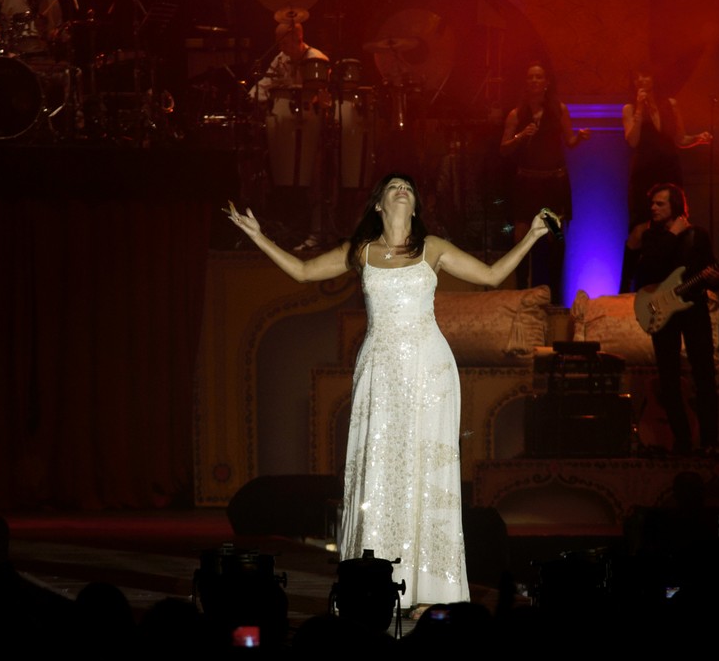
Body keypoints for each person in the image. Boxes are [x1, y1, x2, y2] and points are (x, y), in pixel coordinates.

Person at [227, 172, 550, 614]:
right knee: (380, 473)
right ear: (379, 204)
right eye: (393, 186)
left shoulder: (432, 248)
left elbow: (492, 276)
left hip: (429, 370)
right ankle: (375, 586)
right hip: (379, 370)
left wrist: (532, 235)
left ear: (414, 207)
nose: (402, 190)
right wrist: (257, 236)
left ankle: (431, 591)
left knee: (425, 474)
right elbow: (303, 271)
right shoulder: (361, 251)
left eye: (408, 188)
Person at [631, 183, 719, 454]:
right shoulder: (652, 237)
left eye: (660, 203)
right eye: (653, 203)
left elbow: (713, 275)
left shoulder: (698, 235)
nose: (653, 208)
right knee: (668, 378)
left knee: (704, 374)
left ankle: (710, 442)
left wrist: (715, 279)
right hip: (663, 311)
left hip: (694, 308)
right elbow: (648, 271)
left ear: (676, 206)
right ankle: (682, 442)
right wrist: (672, 234)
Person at [499, 62, 590, 306]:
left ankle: (554, 297)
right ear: (525, 83)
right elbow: (503, 148)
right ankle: (520, 292)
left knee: (553, 237)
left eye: (539, 77)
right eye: (530, 77)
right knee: (521, 236)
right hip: (527, 182)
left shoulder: (559, 110)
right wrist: (521, 136)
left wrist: (580, 137)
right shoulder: (516, 114)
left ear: (546, 82)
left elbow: (569, 141)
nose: (534, 81)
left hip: (552, 181)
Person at [619, 70, 712, 292]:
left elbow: (679, 138)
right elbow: (632, 140)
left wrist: (698, 138)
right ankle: (625, 287)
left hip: (669, 171)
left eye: (645, 75)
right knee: (640, 229)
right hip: (644, 174)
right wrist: (640, 109)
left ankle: (676, 285)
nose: (641, 80)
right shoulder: (630, 108)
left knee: (675, 223)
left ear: (654, 78)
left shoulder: (670, 104)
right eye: (636, 77)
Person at [248, 13, 331, 249]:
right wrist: (252, 96)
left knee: (314, 180)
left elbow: (318, 97)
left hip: (313, 128)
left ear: (298, 39)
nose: (281, 48)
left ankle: (316, 232)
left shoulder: (317, 60)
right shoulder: (281, 58)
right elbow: (264, 85)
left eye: (284, 42)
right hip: (288, 131)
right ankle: (288, 228)